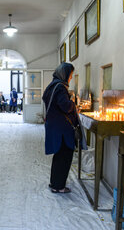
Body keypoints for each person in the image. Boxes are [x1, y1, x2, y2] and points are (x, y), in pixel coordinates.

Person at [42, 62, 79, 194]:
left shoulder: (52, 85)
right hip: (62, 129)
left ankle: (55, 182)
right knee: (64, 156)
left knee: (59, 156)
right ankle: (59, 186)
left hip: (55, 127)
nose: (70, 78)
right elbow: (65, 106)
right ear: (64, 74)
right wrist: (73, 102)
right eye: (70, 75)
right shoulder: (60, 87)